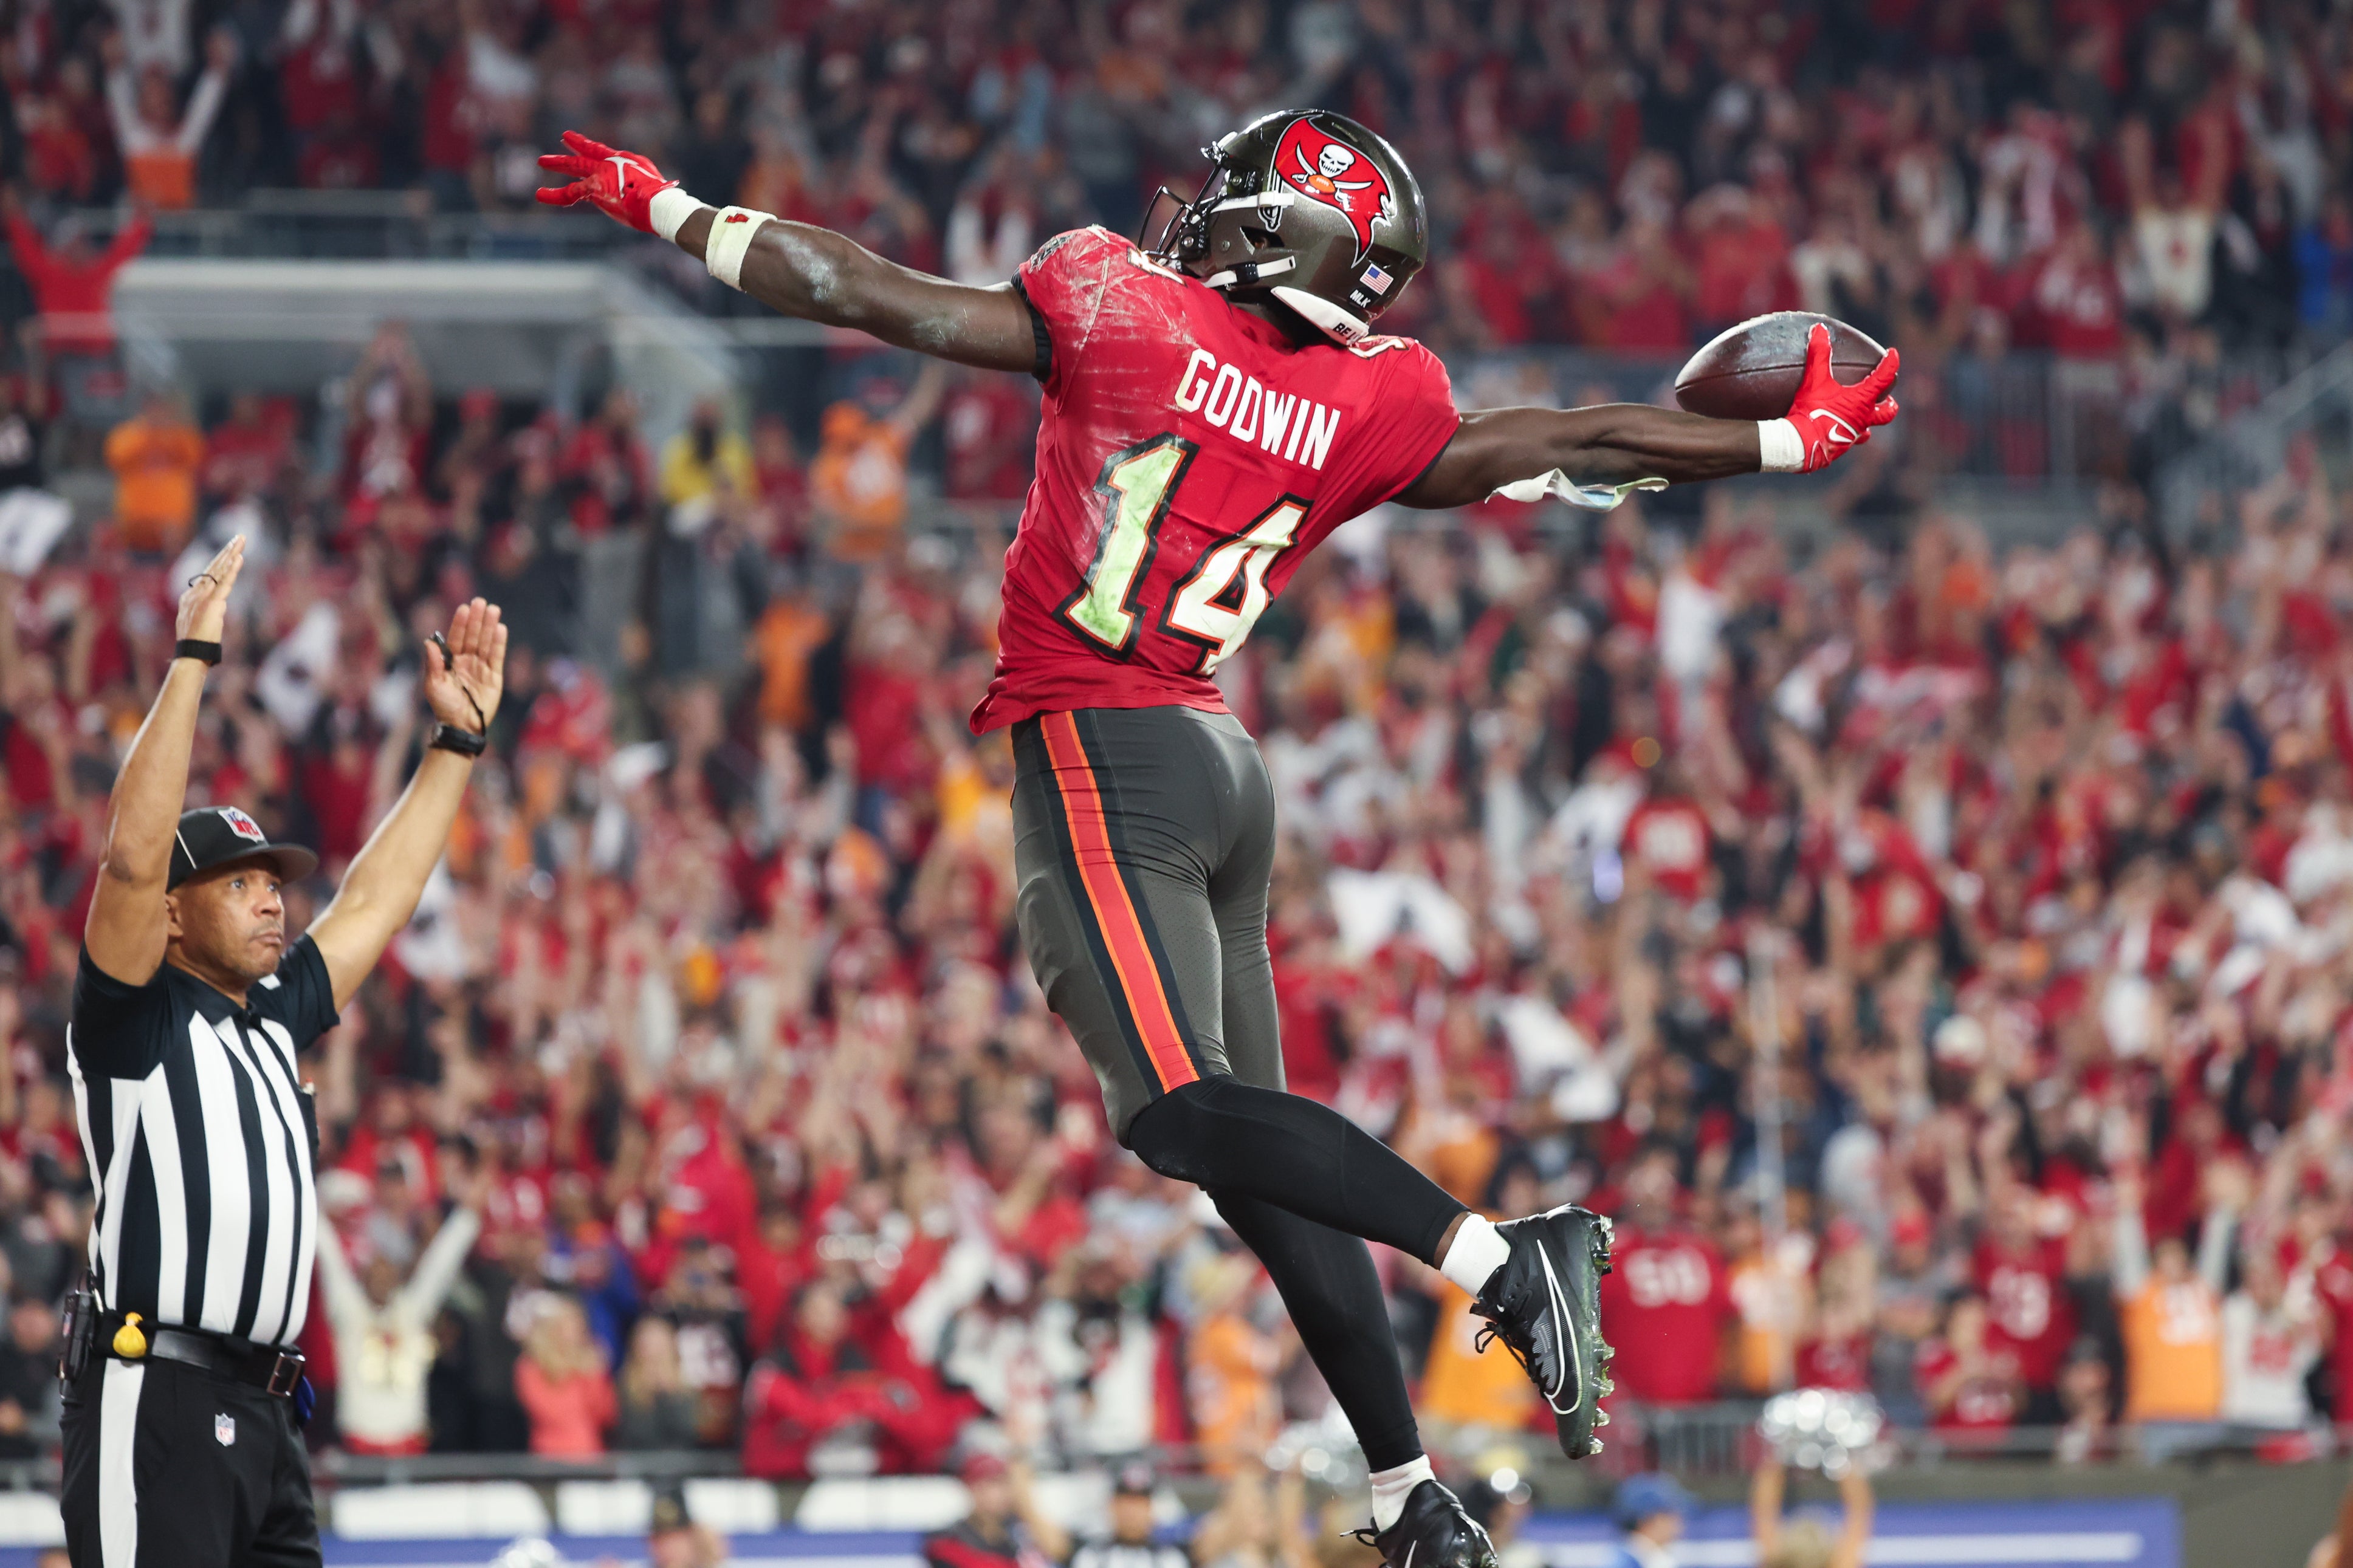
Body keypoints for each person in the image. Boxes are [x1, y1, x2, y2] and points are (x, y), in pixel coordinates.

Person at [538, 107, 1898, 1568]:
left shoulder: (1122, 305)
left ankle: (1506, 1257)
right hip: (1220, 766)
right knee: (1262, 1152)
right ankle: (1404, 1488)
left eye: (1238, 193)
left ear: (1279, 227)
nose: (1207, 206)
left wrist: (671, 209)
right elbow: (1575, 441)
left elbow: (865, 291)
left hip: (1103, 741)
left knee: (1174, 1114)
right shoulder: (1381, 395)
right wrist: (1771, 436)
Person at [58, 535, 507, 1567]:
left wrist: (457, 746)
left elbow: (379, 902)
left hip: (269, 1415)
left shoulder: (272, 1011)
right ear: (173, 917)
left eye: (274, 880)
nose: (273, 897)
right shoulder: (134, 1016)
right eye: (240, 882)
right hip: (156, 1394)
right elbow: (131, 859)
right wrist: (193, 660)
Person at [311, 1172, 483, 1455]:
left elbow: (439, 1267)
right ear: (362, 1278)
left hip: (409, 1439)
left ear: (398, 1279)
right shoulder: (349, 1312)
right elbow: (330, 1259)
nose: (381, 1281)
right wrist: (310, 1201)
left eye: (387, 1274)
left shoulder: (412, 1310)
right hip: (358, 1440)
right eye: (374, 1274)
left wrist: (466, 1218)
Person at [921, 1454, 1067, 1568]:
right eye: (993, 1484)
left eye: (1005, 1484)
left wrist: (1026, 1504)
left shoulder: (1019, 1535)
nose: (1003, 1492)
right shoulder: (949, 1541)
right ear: (972, 1488)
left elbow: (1059, 1551)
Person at [1750, 1458, 1872, 1568]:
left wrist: (1779, 1457)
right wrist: (1840, 1461)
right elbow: (1859, 1513)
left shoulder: (1774, 1558)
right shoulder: (1841, 1564)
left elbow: (1764, 1513)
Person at [1069, 1462, 1187, 1568]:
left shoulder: (1170, 1558)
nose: (1132, 1513)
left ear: (1150, 1509)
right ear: (1112, 1507)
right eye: (1126, 1503)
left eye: (1139, 1504)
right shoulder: (1090, 1555)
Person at [1606, 1474, 1692, 1568]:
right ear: (1650, 1519)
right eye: (1671, 1513)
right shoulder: (1626, 1564)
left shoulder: (1652, 1559)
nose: (1679, 1520)